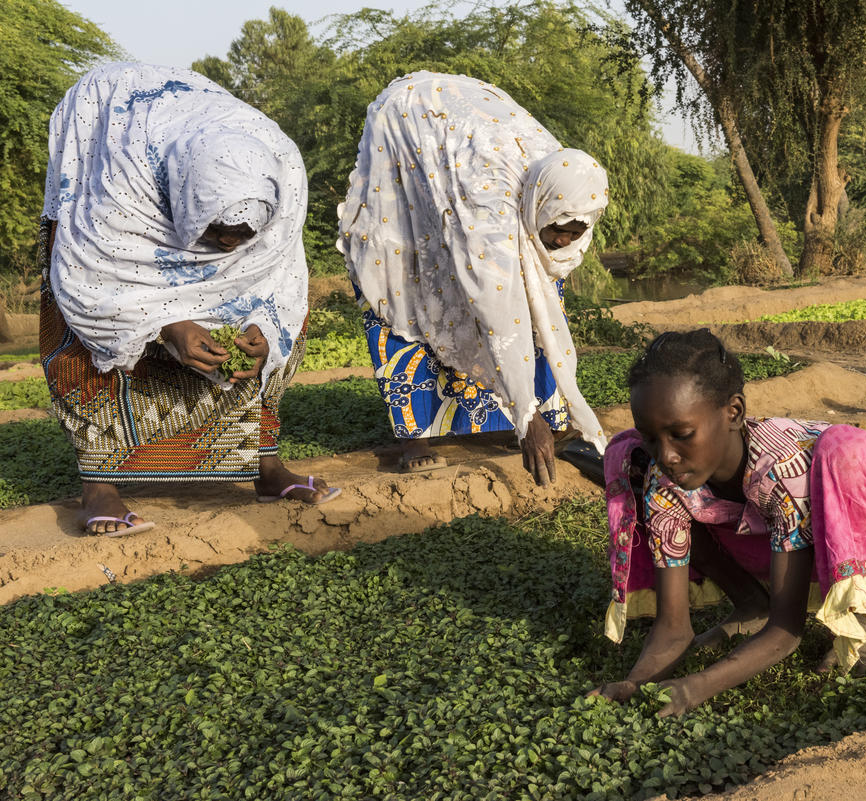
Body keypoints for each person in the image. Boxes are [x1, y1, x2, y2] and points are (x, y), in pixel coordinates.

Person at [591, 329, 866, 716]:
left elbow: (786, 631)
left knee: (845, 450)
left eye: (681, 434)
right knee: (629, 458)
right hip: (772, 542)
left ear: (733, 412)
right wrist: (633, 683)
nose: (667, 455)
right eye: (651, 437)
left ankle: (865, 614)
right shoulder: (666, 478)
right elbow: (673, 628)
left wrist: (696, 687)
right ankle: (751, 603)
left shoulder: (785, 469)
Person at [40, 62, 339, 537]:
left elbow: (280, 271)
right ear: (188, 201)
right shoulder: (121, 179)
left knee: (286, 319)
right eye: (219, 229)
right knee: (79, 328)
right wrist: (167, 324)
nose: (227, 245)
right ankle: (98, 485)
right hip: (113, 210)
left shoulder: (282, 173)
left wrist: (266, 326)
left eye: (244, 234)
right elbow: (93, 278)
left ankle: (264, 465)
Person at [337, 71, 610, 482]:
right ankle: (417, 439)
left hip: (466, 148)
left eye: (576, 231)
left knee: (537, 301)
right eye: (559, 229)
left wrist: (529, 411)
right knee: (411, 298)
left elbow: (528, 304)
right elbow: (496, 308)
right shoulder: (490, 205)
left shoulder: (565, 180)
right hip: (408, 139)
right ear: (540, 203)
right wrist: (525, 416)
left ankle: (530, 415)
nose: (563, 241)